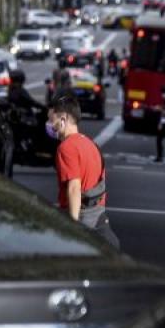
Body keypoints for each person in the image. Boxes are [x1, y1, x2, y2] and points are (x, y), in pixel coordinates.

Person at [47, 95, 119, 248]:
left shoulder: (66, 148)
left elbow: (74, 188)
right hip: (98, 215)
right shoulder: (91, 144)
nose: (50, 125)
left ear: (63, 120)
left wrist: (72, 227)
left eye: (51, 120)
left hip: (82, 218)